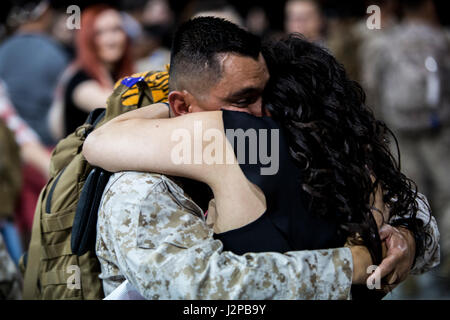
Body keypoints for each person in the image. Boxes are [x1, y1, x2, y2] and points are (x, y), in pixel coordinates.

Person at [83, 17, 439, 299]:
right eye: (242, 100)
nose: (260, 112)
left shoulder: (280, 141)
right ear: (183, 107)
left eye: (265, 95)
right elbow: (201, 292)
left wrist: (407, 240)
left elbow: (414, 212)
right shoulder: (143, 189)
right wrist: (352, 265)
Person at [360, 0, 450, 298]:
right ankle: (444, 262)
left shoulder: (385, 41)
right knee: (447, 194)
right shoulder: (441, 39)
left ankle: (407, 269)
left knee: (410, 193)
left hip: (398, 130)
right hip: (439, 131)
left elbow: (371, 85)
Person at [55, 4, 134, 138]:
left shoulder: (116, 74)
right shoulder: (80, 81)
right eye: (100, 33)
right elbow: (123, 108)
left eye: (116, 30)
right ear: (87, 39)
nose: (111, 40)